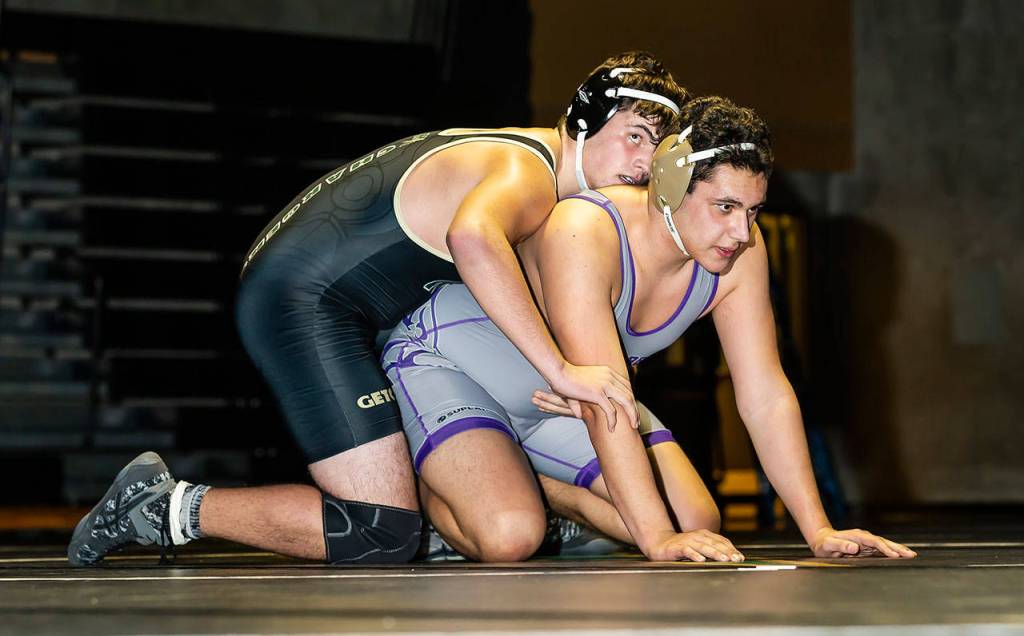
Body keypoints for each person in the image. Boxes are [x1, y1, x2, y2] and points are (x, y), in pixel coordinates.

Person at [67, 52, 689, 566]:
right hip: (302, 303)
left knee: (434, 514)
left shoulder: (543, 181)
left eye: (654, 149)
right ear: (581, 126)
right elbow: (471, 241)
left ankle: (475, 501)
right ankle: (163, 506)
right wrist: (559, 372)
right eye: (633, 137)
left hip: (346, 302)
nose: (641, 163)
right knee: (378, 532)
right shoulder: (527, 170)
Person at [382, 96, 918, 562]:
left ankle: (542, 489)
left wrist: (817, 529)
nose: (741, 232)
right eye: (725, 207)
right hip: (454, 371)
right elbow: (602, 397)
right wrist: (656, 538)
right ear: (670, 185)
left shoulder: (741, 256)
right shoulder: (587, 229)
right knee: (508, 536)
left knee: (697, 523)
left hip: (559, 404)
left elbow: (765, 395)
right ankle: (439, 495)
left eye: (753, 211)